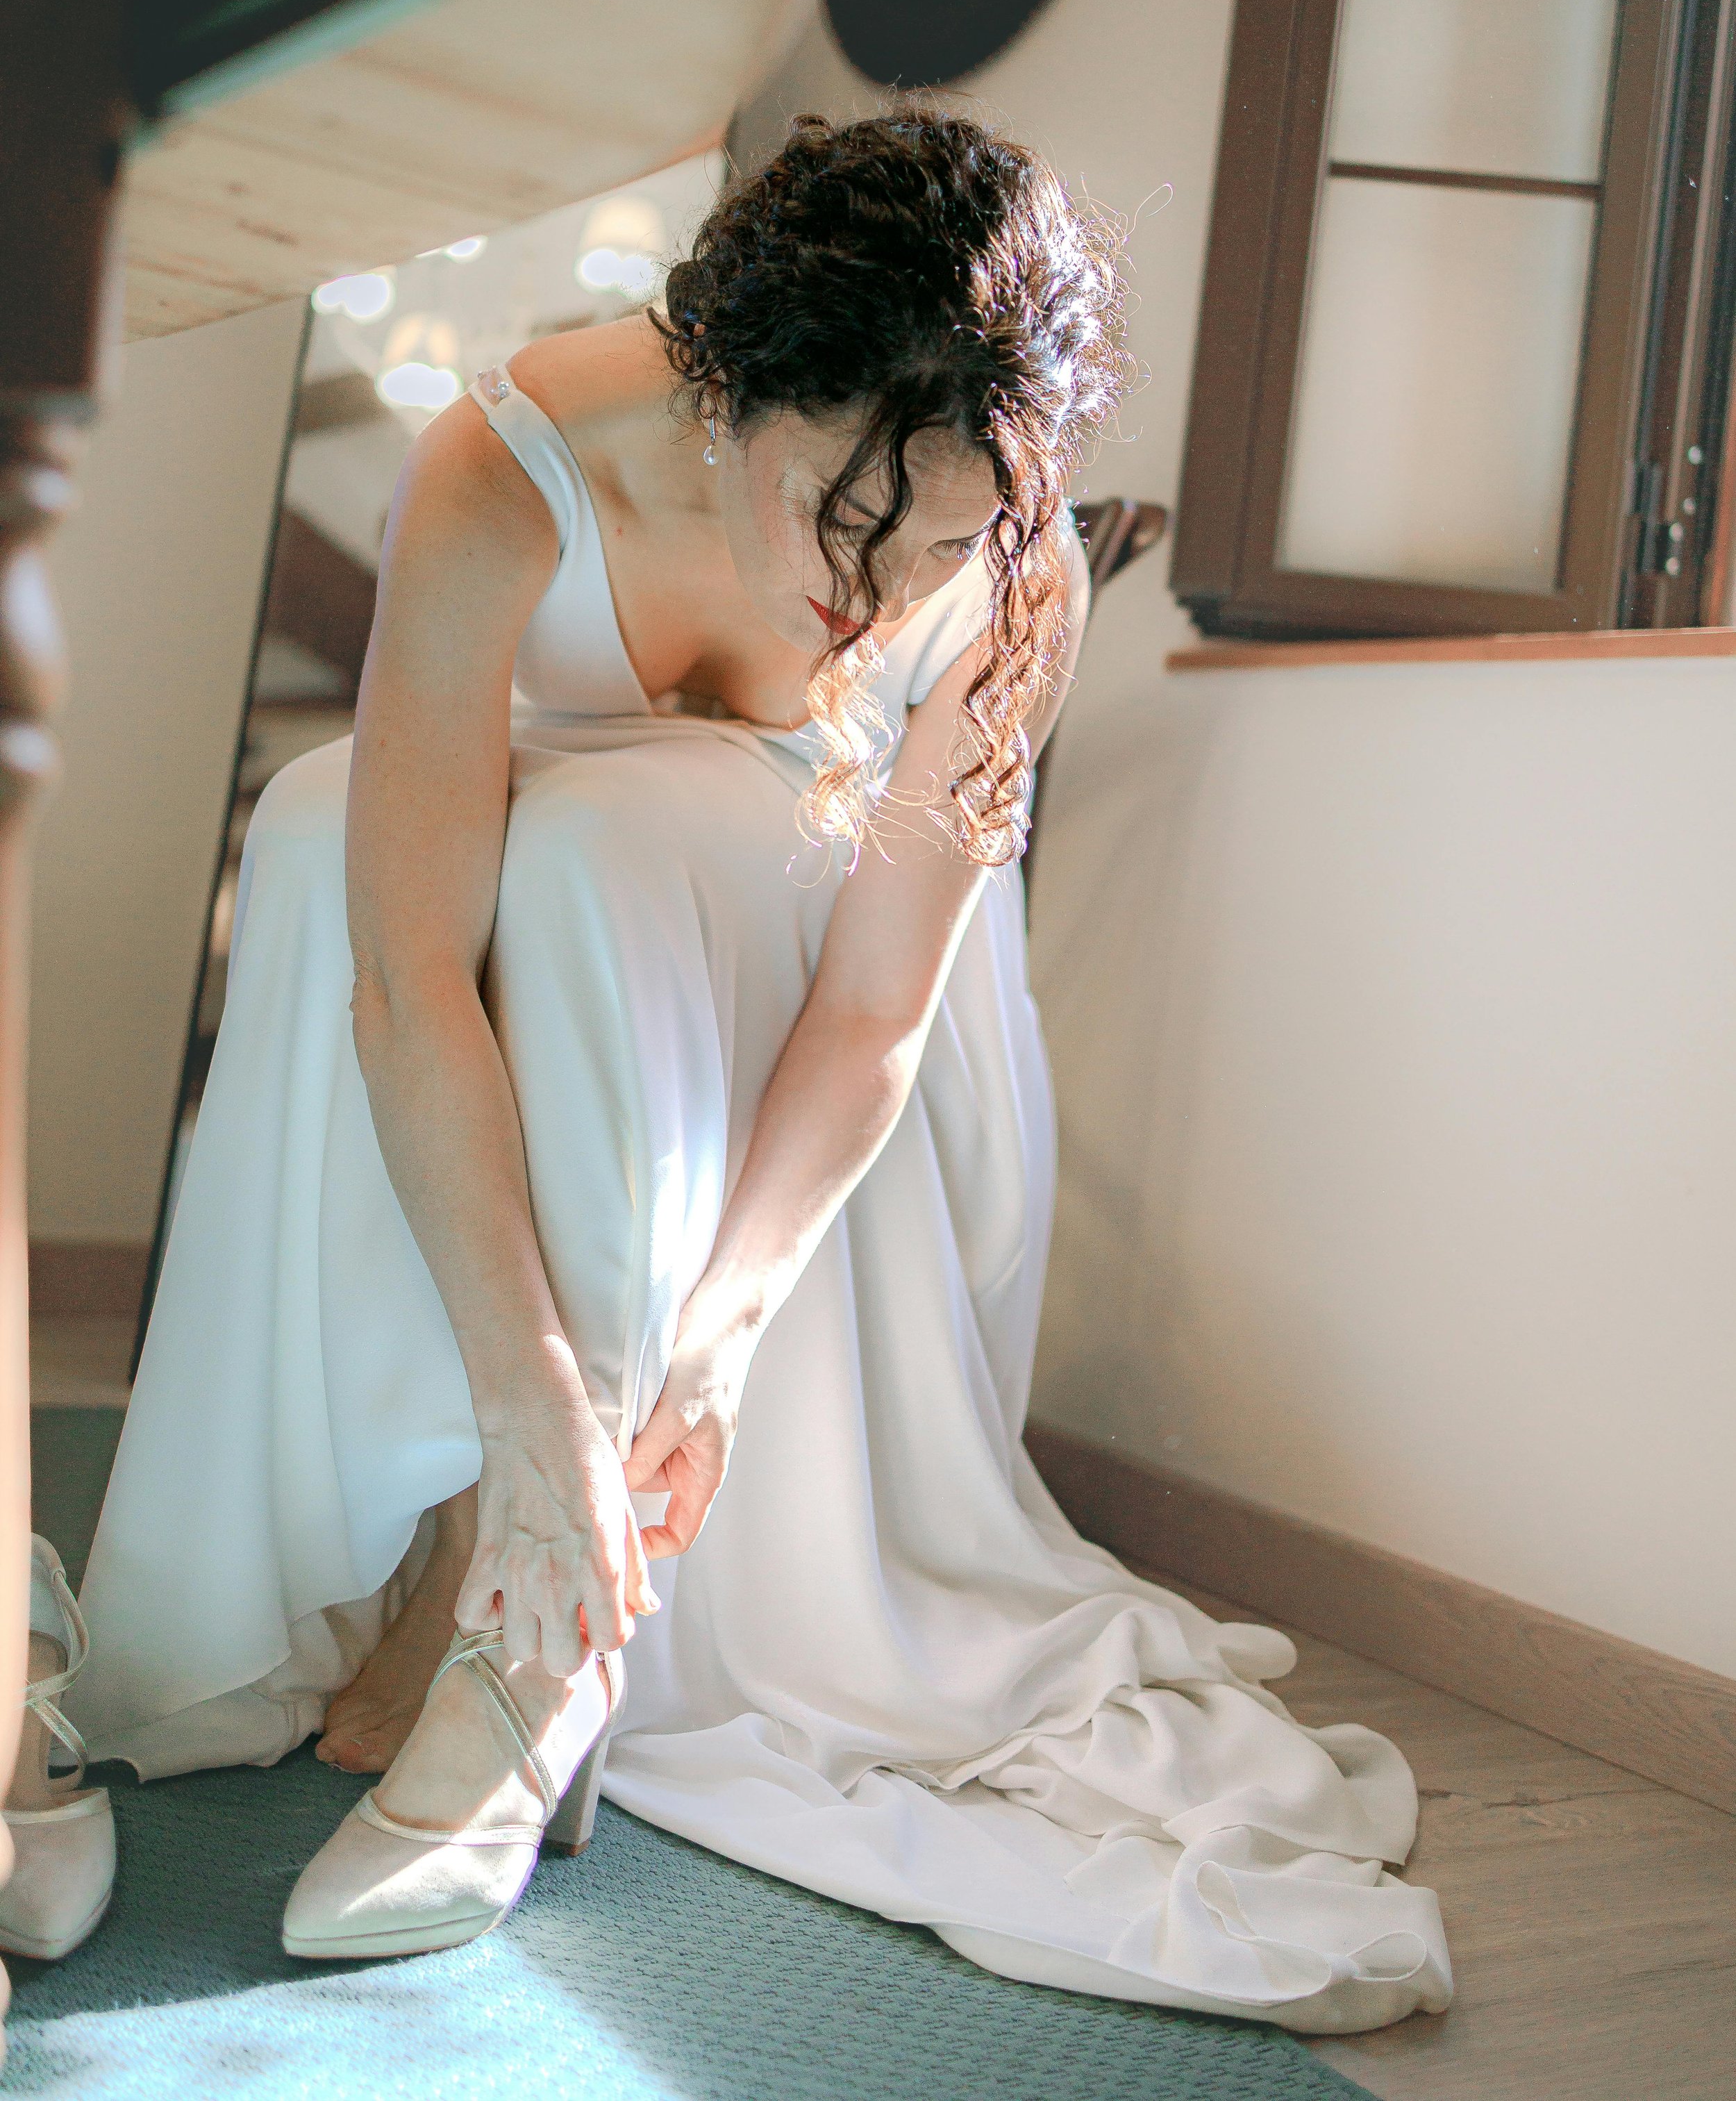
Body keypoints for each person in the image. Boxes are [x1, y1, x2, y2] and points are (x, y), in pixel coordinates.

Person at [78, 111, 1449, 2027]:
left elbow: (881, 1010)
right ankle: (456, 1526)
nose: (888, 598)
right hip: (550, 963)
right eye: (845, 518)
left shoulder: (1008, 569)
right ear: (731, 397)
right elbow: (405, 975)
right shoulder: (511, 460)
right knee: (324, 830)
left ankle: (526, 1644)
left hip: (826, 1034)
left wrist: (706, 1344)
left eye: (947, 542)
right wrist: (532, 1400)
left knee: (597, 857)